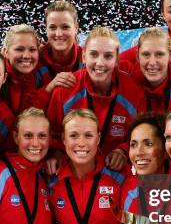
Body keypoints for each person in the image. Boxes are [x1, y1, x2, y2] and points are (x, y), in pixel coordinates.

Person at [46, 26, 145, 173]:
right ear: (84, 56)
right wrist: (56, 153)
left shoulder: (133, 92)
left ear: (117, 59)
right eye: (94, 55)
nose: (100, 63)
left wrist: (123, 151)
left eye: (108, 56)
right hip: (73, 169)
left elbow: (141, 134)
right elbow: (53, 133)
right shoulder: (65, 89)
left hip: (114, 172)